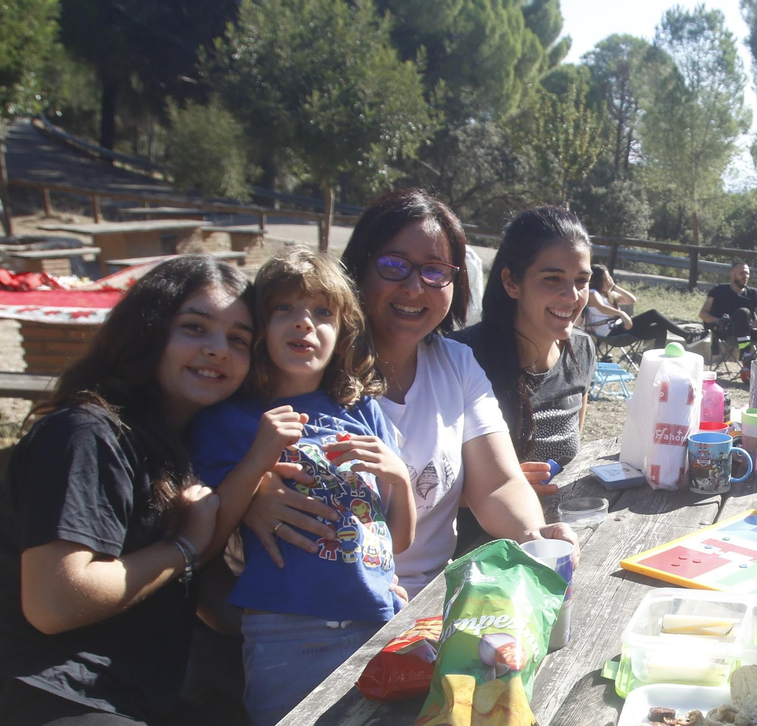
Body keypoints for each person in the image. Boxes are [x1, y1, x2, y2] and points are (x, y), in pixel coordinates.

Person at [0, 255, 258, 726]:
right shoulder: (88, 433)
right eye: (195, 327)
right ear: (148, 329)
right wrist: (183, 549)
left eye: (237, 339)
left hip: (121, 702)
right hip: (22, 703)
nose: (217, 350)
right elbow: (56, 600)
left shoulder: (179, 450)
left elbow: (205, 609)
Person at [240, 189, 573, 600]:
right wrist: (249, 494)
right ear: (358, 270)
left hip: (430, 605)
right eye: (394, 265)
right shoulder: (309, 368)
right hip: (330, 608)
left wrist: (536, 537)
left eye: (435, 271)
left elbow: (498, 484)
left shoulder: (458, 364)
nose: (415, 287)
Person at [190, 248, 415, 726]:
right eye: (284, 309)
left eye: (322, 312)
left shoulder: (363, 411)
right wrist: (258, 461)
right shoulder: (229, 420)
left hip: (378, 617)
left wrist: (400, 478)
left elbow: (395, 543)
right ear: (259, 327)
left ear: (343, 331)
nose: (303, 324)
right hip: (286, 632)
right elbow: (208, 534)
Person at [452, 206, 597, 495]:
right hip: (480, 535)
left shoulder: (582, 350)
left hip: (560, 526)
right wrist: (501, 483)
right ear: (511, 282)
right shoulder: (460, 357)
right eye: (552, 278)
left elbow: (573, 454)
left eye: (581, 281)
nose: (572, 296)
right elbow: (427, 479)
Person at [582, 264, 701, 346]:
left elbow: (631, 300)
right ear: (597, 281)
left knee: (660, 329)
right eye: (605, 279)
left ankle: (657, 362)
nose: (608, 281)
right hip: (610, 332)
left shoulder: (609, 294)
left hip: (621, 329)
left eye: (609, 278)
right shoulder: (593, 294)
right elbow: (602, 308)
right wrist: (622, 313)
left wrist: (614, 287)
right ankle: (688, 336)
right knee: (653, 314)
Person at [700, 260, 757, 382]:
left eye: (747, 273)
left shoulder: (753, 293)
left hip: (748, 331)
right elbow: (703, 313)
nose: (745, 276)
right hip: (727, 330)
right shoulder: (718, 290)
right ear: (732, 273)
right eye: (742, 273)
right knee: (743, 312)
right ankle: (746, 355)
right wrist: (717, 320)